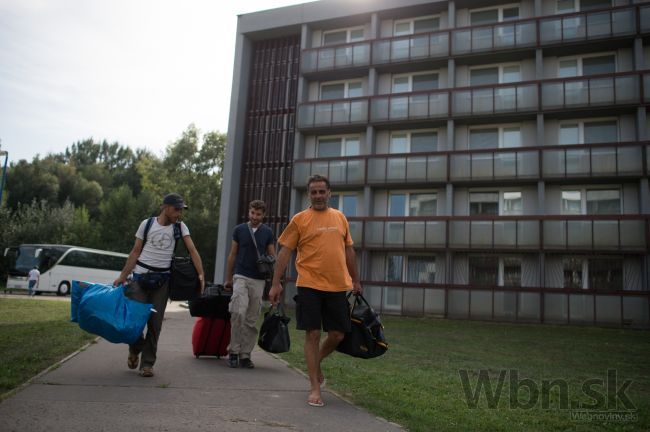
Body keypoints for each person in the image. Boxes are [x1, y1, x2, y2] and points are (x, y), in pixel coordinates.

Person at [269, 174, 362, 407]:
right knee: (312, 333)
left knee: (338, 334)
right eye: (314, 192)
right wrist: (275, 283)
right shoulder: (300, 220)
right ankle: (314, 387)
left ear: (329, 193)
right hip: (309, 284)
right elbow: (284, 253)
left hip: (338, 285)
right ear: (308, 194)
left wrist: (356, 280)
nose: (318, 196)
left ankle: (315, 362)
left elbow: (349, 251)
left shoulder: (340, 218)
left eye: (322, 191)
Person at [114, 193, 205, 378]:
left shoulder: (180, 227)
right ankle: (135, 348)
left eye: (181, 210)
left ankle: (147, 364)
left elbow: (193, 250)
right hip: (140, 278)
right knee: (135, 321)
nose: (179, 213)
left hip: (162, 282)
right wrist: (123, 275)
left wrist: (201, 274)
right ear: (165, 207)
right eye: (177, 209)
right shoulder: (146, 224)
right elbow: (135, 251)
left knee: (155, 325)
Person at [224, 199, 276, 369]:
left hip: (259, 279)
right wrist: (228, 278)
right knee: (238, 311)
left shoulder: (268, 232)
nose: (255, 216)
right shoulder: (239, 230)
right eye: (252, 213)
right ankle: (233, 351)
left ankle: (245, 355)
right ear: (249, 212)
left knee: (252, 318)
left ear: (264, 215)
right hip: (241, 275)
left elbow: (273, 257)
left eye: (258, 214)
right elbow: (232, 254)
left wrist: (275, 283)